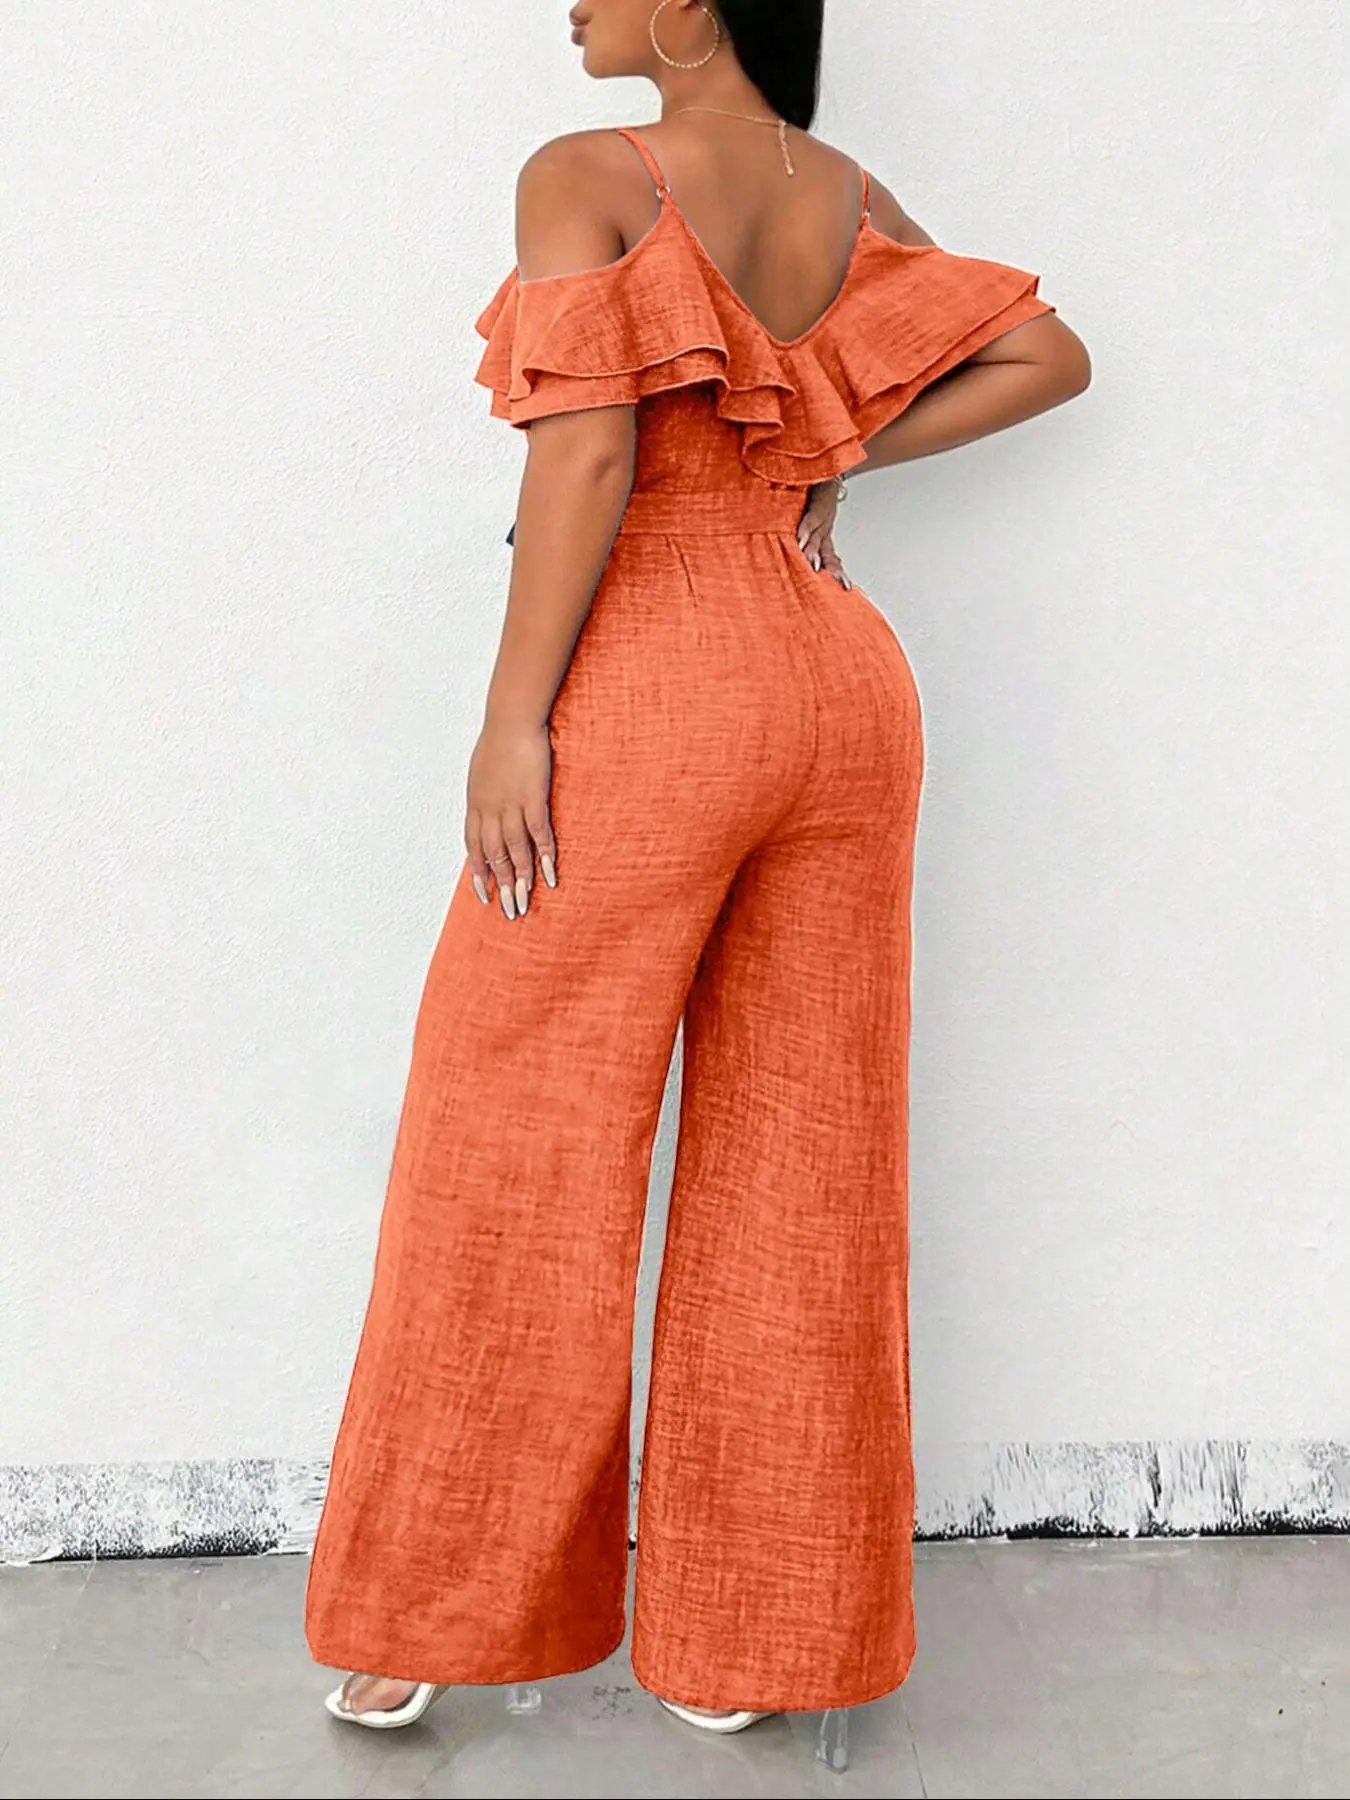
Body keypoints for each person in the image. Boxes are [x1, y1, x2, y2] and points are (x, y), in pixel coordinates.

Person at [305, 0, 1090, 1735]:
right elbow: (1044, 356)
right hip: (844, 691)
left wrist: (514, 722)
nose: (570, 4)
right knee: (802, 1163)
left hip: (656, 690)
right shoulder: (842, 184)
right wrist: (828, 444)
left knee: (509, 1141)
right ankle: (756, 1642)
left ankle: (425, 1617)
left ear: (690, 7)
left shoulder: (587, 171)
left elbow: (589, 450)